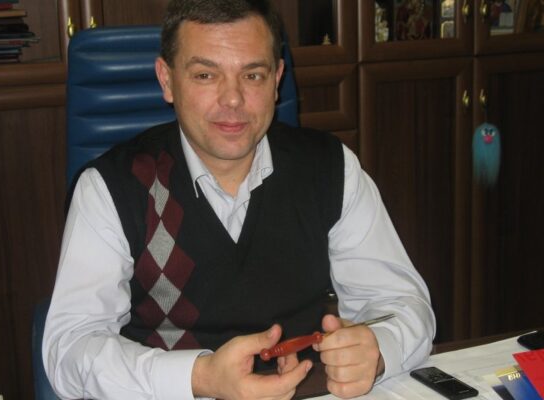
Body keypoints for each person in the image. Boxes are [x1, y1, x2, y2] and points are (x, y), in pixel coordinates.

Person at [42, 0, 436, 399]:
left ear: (277, 79)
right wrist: (200, 377)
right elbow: (69, 350)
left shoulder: (330, 167)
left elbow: (402, 304)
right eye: (205, 75)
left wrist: (378, 349)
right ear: (167, 80)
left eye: (252, 75)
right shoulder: (110, 187)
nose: (232, 98)